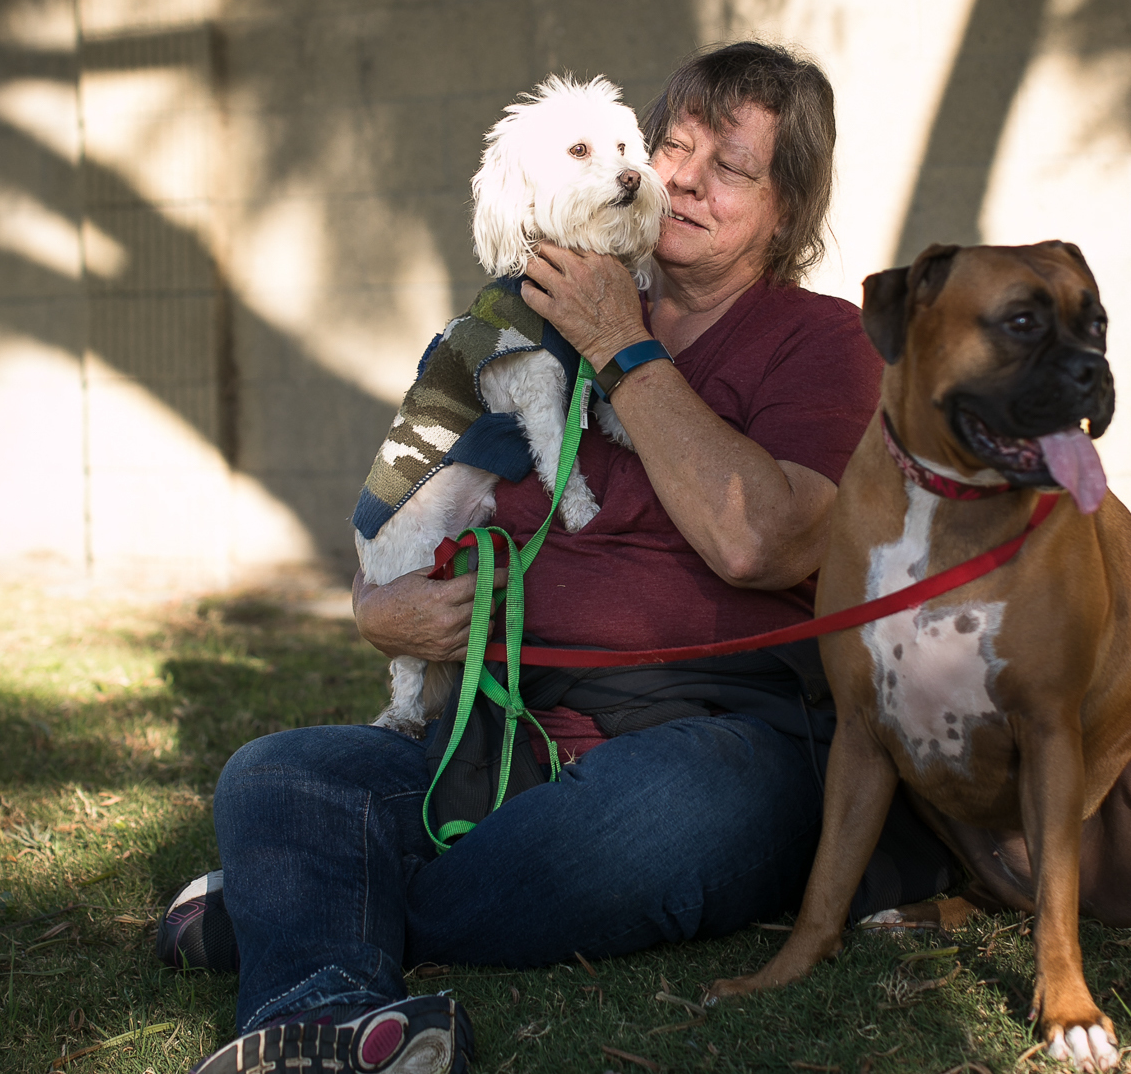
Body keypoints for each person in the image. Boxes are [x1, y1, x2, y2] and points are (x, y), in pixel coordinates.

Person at [164, 41, 955, 1074]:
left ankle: (306, 905)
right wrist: (377, 614)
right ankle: (330, 1005)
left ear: (786, 209)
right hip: (509, 730)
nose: (680, 180)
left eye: (732, 169)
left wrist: (621, 347)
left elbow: (758, 539)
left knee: (653, 822)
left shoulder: (822, 340)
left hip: (723, 732)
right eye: (674, 144)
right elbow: (414, 498)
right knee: (279, 774)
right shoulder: (517, 325)